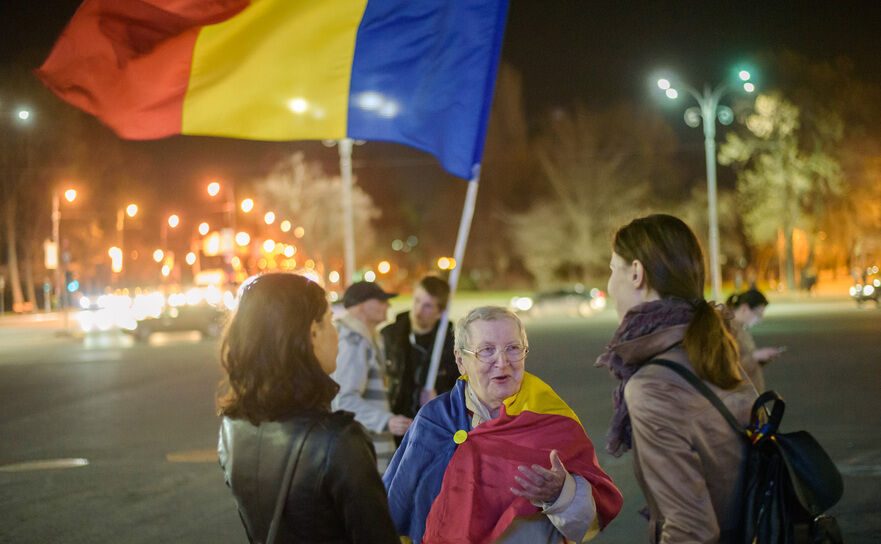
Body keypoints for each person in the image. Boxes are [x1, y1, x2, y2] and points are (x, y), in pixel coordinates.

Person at [384, 306, 623, 544]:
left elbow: (588, 522)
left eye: (513, 348)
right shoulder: (434, 420)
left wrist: (560, 494)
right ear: (460, 361)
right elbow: (397, 507)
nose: (503, 362)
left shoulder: (553, 419)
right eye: (487, 350)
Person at [595, 214, 755, 543]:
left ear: (636, 273)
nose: (610, 286)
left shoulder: (653, 386)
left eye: (613, 270)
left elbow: (691, 530)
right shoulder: (714, 350)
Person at [216, 273, 399, 543]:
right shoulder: (338, 441)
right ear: (312, 334)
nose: (337, 334)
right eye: (331, 322)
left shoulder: (231, 428)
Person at [331, 281, 412, 472]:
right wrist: (386, 421)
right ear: (360, 306)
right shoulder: (354, 342)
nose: (388, 305)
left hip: (366, 450)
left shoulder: (363, 337)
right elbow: (344, 400)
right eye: (381, 300)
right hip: (366, 453)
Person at [381, 276, 457, 425]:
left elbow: (462, 390)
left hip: (430, 425)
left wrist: (439, 399)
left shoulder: (451, 345)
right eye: (416, 300)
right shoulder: (389, 336)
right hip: (395, 423)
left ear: (440, 312)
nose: (418, 310)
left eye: (428, 306)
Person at [725, 288, 784, 393]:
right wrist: (755, 356)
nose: (760, 319)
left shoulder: (741, 327)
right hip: (739, 398)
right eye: (758, 314)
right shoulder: (727, 329)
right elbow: (728, 368)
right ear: (744, 308)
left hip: (749, 395)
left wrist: (761, 358)